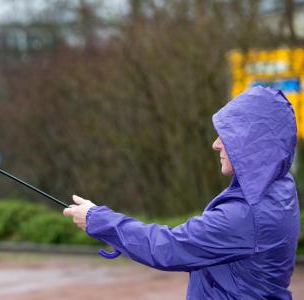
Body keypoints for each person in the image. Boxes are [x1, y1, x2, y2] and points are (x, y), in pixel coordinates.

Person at [63, 86, 300, 299]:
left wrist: (98, 220)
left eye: (227, 136)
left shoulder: (246, 215)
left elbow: (170, 247)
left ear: (252, 143)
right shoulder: (279, 187)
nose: (215, 144)